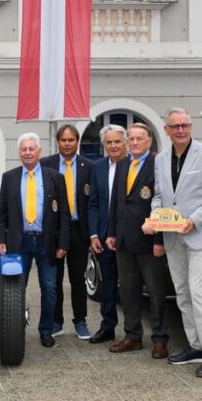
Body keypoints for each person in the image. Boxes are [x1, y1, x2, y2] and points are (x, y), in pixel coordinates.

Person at [144, 108, 202, 378]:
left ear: (191, 127)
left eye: (185, 125)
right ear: (166, 130)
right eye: (175, 126)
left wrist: (195, 219)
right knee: (182, 294)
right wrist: (156, 217)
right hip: (172, 237)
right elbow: (159, 195)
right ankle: (195, 346)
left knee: (200, 294)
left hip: (200, 235)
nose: (180, 130)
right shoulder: (160, 159)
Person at [0, 133, 70, 348]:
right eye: (23, 149)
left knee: (49, 288)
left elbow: (64, 213)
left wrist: (63, 243)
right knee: (16, 288)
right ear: (19, 153)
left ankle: (46, 330)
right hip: (19, 243)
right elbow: (2, 213)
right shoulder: (9, 177)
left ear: (39, 152)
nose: (27, 152)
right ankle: (15, 329)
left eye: (31, 149)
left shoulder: (55, 177)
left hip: (47, 242)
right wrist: (0, 238)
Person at [106, 123, 169, 359]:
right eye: (130, 139)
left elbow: (164, 203)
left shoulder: (158, 165)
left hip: (149, 241)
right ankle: (132, 336)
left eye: (138, 139)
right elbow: (116, 201)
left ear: (149, 141)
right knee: (129, 291)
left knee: (155, 292)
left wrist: (160, 239)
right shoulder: (122, 164)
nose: (133, 143)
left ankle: (160, 339)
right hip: (123, 240)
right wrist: (111, 232)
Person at [41, 124, 93, 339]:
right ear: (58, 141)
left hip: (79, 231)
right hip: (54, 232)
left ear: (77, 141)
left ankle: (80, 321)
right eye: (64, 140)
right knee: (54, 279)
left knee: (78, 279)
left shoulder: (89, 166)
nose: (68, 144)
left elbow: (93, 201)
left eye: (71, 140)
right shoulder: (46, 165)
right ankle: (56, 321)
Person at [86, 124, 126, 344]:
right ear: (104, 145)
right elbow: (93, 203)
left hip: (129, 237)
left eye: (117, 142)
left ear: (125, 143)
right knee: (108, 285)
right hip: (103, 236)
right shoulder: (98, 167)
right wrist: (93, 235)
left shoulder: (134, 165)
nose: (113, 146)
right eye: (109, 142)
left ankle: (133, 331)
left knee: (130, 287)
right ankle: (107, 326)